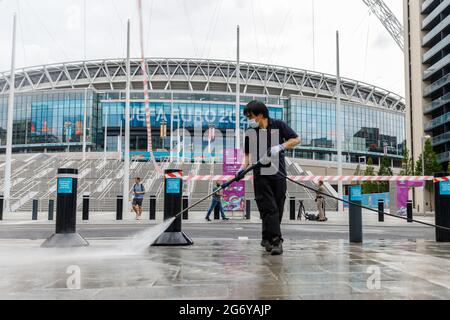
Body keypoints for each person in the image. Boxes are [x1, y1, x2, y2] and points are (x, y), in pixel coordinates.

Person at [237, 100, 300, 256]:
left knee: (277, 208)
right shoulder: (250, 132)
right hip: (260, 176)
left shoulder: (278, 125)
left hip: (278, 174)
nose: (249, 120)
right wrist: (241, 169)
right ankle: (276, 241)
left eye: (250, 116)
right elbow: (247, 156)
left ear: (260, 114)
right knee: (269, 208)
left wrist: (280, 146)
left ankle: (266, 238)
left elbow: (296, 139)